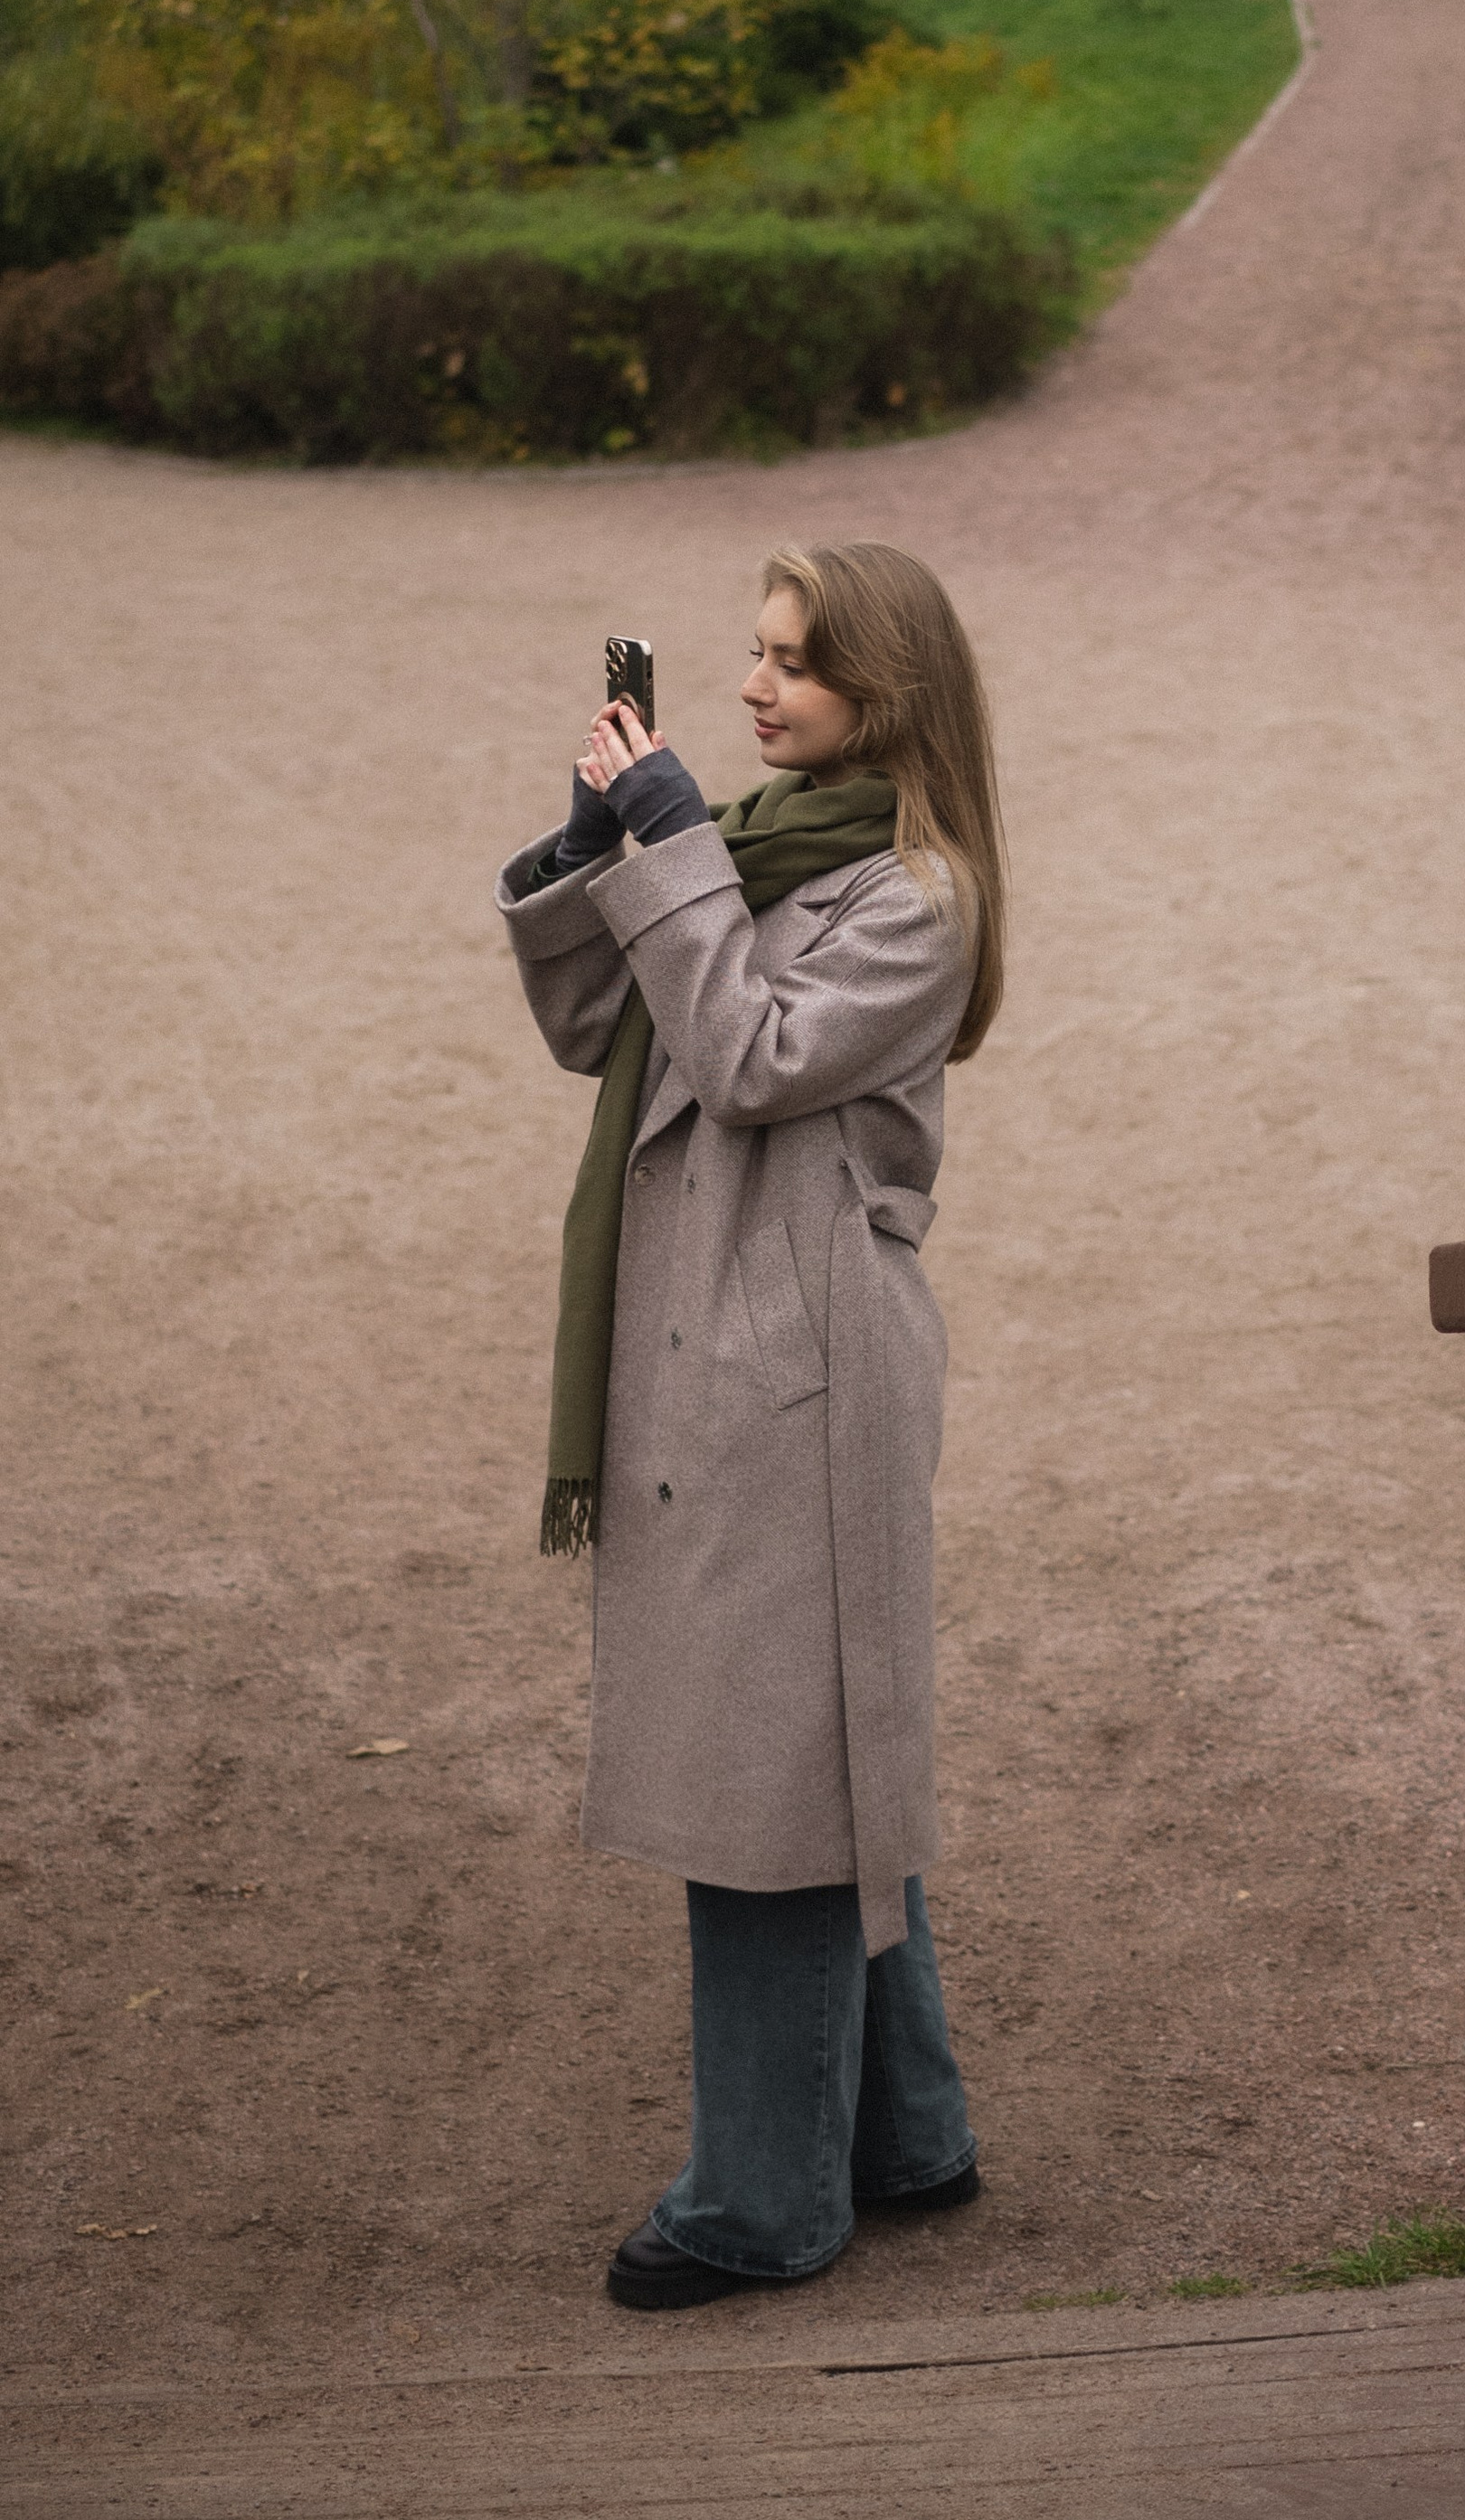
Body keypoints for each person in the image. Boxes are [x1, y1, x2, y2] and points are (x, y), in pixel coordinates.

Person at [495, 539, 1005, 2309]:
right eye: (756, 651)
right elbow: (601, 1030)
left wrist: (675, 850)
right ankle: (901, 2135)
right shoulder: (770, 846)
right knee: (811, 1747)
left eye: (795, 661)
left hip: (806, 1372)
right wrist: (591, 859)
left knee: (762, 1785)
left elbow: (749, 1056)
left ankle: (763, 2200)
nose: (752, 685)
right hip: (731, 1351)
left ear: (891, 692)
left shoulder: (912, 899)